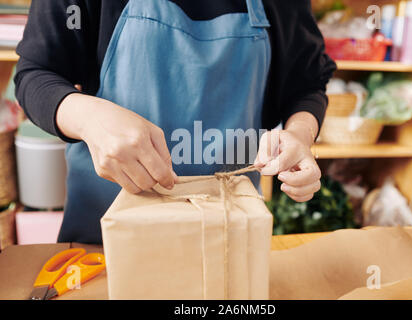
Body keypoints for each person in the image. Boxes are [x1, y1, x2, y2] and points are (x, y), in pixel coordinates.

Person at [15, 0, 336, 244]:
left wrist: (299, 135)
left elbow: (306, 84)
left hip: (226, 245)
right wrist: (87, 117)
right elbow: (36, 75)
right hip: (104, 246)